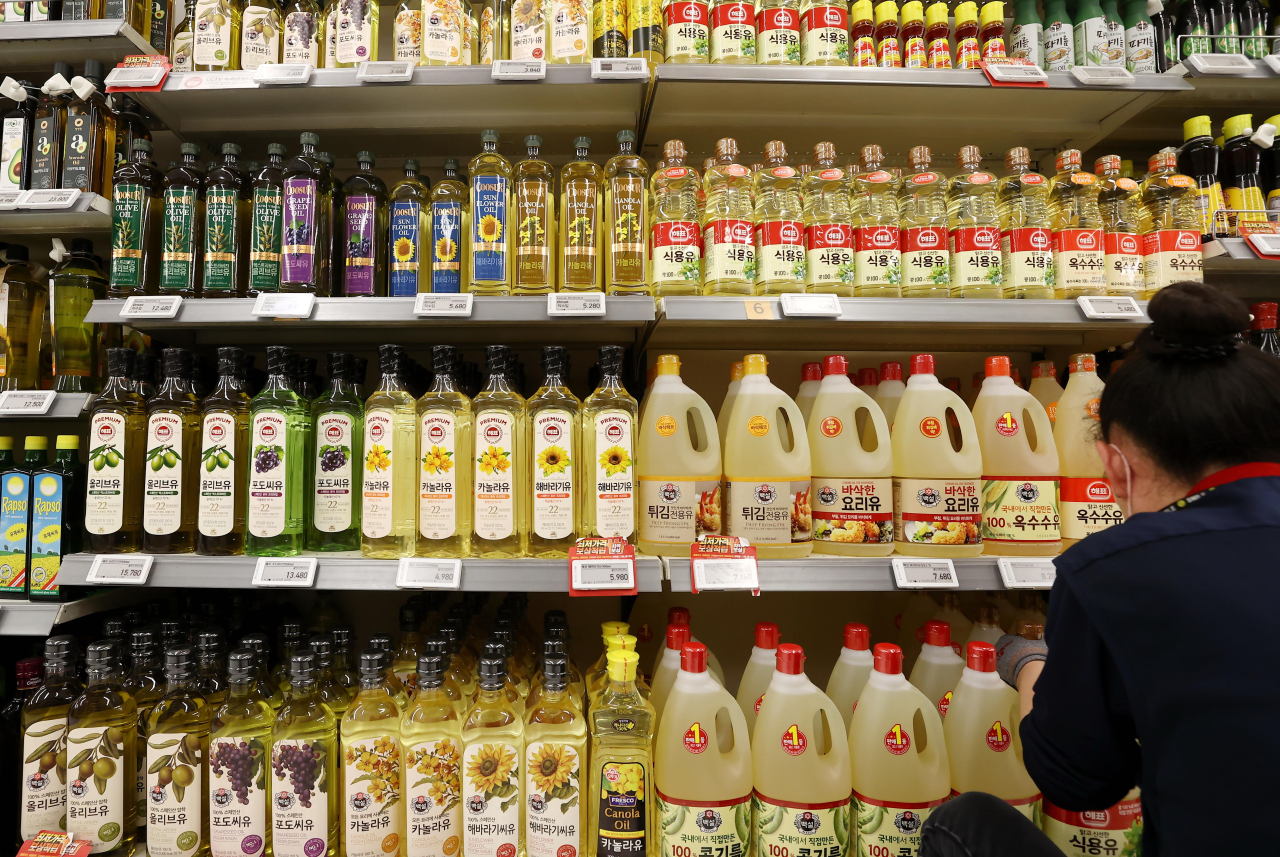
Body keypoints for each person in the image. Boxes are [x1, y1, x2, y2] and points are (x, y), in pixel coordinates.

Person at [920, 282, 1280, 857]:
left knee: (962, 823)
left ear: (1115, 463)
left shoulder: (1117, 569)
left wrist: (1030, 665)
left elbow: (1078, 778)